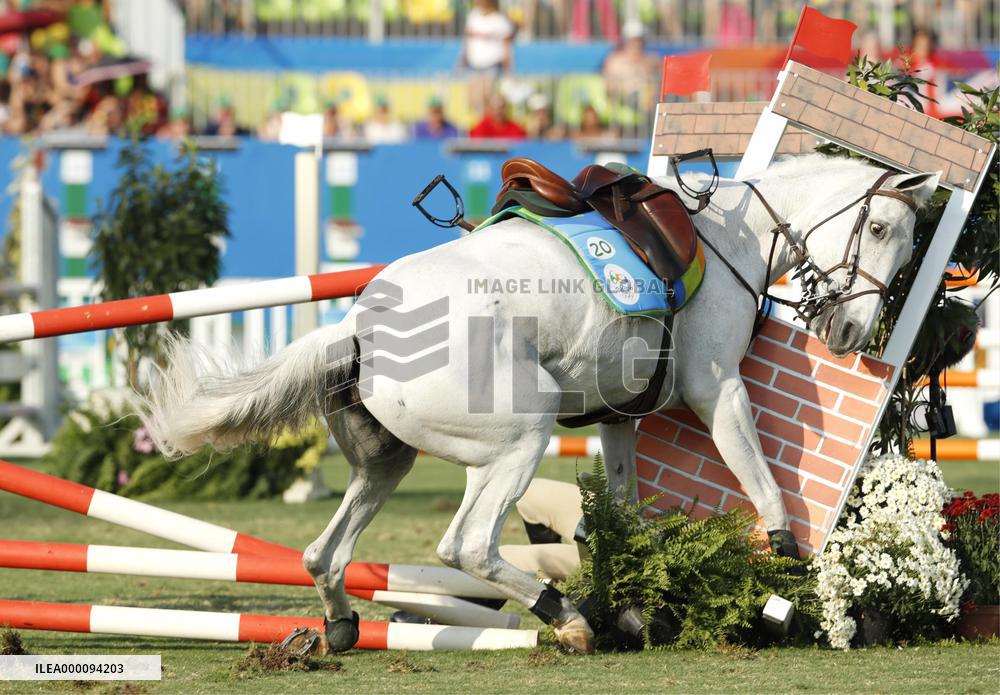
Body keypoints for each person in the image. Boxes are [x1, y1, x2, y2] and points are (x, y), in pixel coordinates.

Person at [459, 0, 515, 112]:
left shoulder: (499, 20)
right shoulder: (473, 16)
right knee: (473, 100)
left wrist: (508, 70)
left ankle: (487, 120)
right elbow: (467, 41)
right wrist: (462, 60)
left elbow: (507, 47)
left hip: (492, 64)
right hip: (474, 64)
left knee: (487, 98)